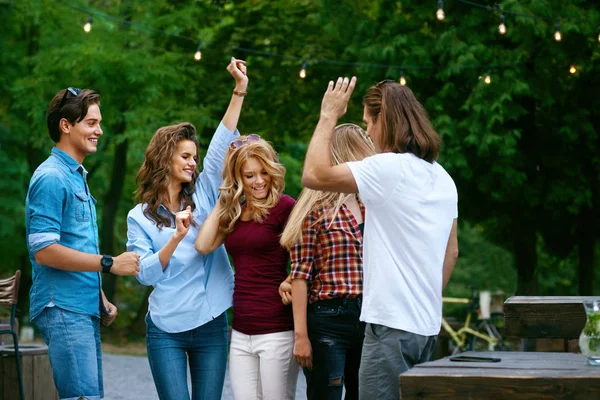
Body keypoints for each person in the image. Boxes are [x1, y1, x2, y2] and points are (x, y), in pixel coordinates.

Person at [301, 77, 459, 400]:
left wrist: (329, 115)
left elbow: (313, 175)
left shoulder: (387, 168)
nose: (368, 134)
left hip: (389, 329)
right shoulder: (444, 178)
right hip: (426, 328)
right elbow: (452, 252)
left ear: (384, 120)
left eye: (369, 123)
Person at [126, 57, 247, 400]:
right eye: (185, 156)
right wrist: (176, 237)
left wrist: (239, 91)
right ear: (165, 159)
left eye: (194, 156)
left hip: (210, 323)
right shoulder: (140, 217)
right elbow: (145, 275)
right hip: (166, 328)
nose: (193, 163)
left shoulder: (207, 191)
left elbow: (223, 142)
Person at [26, 87, 140, 399]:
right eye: (91, 123)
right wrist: (110, 263)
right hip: (61, 305)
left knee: (90, 395)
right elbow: (44, 251)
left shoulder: (76, 176)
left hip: (81, 304)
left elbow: (77, 246)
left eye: (98, 123)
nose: (99, 130)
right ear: (66, 125)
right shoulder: (51, 177)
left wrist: (98, 294)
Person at [195, 132, 298, 400]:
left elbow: (306, 256)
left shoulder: (284, 207)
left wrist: (291, 278)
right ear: (239, 178)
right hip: (241, 330)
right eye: (249, 175)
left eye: (263, 172)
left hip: (276, 329)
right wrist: (225, 197)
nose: (259, 181)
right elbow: (203, 245)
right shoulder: (236, 212)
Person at [280, 123, 375, 400]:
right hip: (328, 319)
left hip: (370, 317)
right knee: (327, 394)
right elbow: (300, 275)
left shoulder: (373, 205)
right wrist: (301, 336)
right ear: (350, 153)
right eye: (365, 149)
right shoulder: (316, 209)